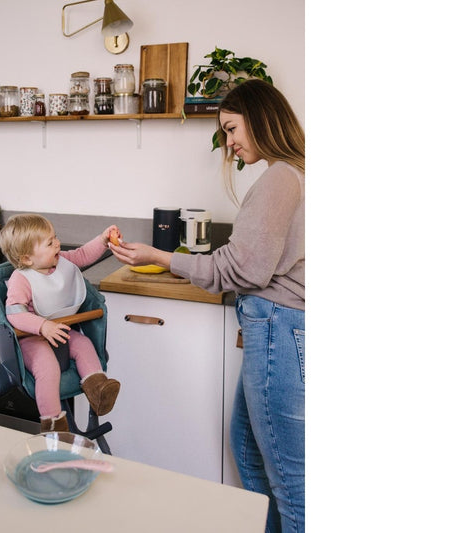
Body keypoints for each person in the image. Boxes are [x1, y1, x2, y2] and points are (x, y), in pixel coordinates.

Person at [109, 79, 305, 533]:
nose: (230, 144)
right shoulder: (297, 172)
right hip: (279, 330)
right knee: (249, 449)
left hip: (277, 329)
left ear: (260, 118)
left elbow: (241, 270)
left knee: (292, 486)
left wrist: (159, 256)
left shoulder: (280, 178)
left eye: (232, 129)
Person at [0, 213, 122, 433]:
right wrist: (42, 326)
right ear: (27, 258)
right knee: (47, 367)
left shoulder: (61, 261)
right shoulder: (22, 279)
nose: (57, 243)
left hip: (60, 328)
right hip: (31, 338)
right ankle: (54, 424)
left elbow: (83, 254)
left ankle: (99, 390)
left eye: (55, 237)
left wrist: (103, 240)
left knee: (84, 344)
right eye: (49, 242)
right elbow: (14, 314)